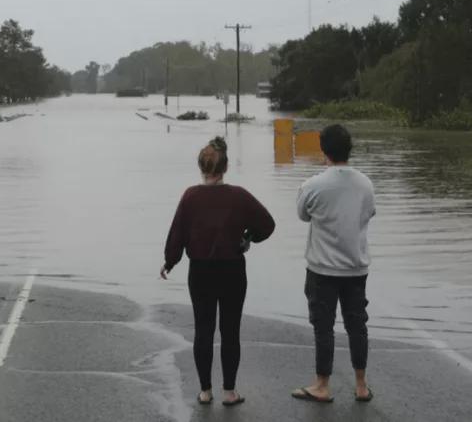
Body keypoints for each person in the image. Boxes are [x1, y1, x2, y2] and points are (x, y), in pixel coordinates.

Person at [161, 137, 275, 407]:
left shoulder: (190, 196)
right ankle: (229, 392)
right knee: (230, 330)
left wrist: (170, 261)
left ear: (201, 167)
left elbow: (177, 233)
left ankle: (204, 391)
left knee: (203, 329)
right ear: (224, 169)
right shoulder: (239, 196)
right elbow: (268, 225)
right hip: (232, 270)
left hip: (200, 271)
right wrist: (248, 237)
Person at [292, 124, 375, 404]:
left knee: (323, 327)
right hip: (356, 267)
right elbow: (369, 214)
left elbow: (303, 215)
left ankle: (322, 385)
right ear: (349, 149)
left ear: (323, 149)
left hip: (322, 269)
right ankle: (361, 385)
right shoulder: (366, 184)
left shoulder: (314, 184)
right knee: (357, 325)